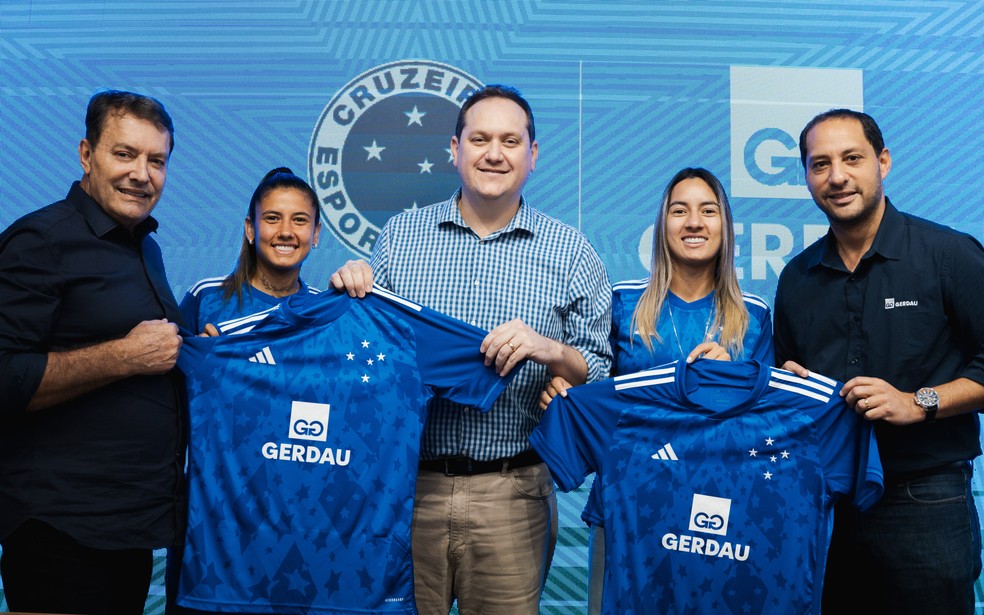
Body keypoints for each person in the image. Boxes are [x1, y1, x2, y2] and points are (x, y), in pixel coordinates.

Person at [331, 84, 612, 614]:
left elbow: (597, 372)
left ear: (533, 155)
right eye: (479, 138)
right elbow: (363, 354)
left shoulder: (572, 252)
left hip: (514, 493)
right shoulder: (401, 237)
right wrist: (350, 288)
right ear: (453, 149)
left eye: (511, 140)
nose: (494, 153)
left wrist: (549, 350)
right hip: (408, 491)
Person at [774, 108, 984, 614]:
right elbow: (786, 380)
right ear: (805, 176)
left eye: (852, 158)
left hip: (925, 499)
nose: (837, 177)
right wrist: (787, 386)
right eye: (819, 164)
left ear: (882, 162)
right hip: (825, 504)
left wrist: (919, 402)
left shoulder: (948, 254)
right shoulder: (796, 278)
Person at [541, 167, 773, 614]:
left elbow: (764, 426)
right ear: (661, 224)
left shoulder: (756, 315)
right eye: (679, 210)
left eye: (708, 211)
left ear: (725, 225)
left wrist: (733, 384)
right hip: (629, 505)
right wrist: (562, 394)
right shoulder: (620, 302)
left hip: (720, 512)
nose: (693, 222)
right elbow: (590, 385)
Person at [0, 90, 184, 614]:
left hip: (128, 529)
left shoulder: (143, 244)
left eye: (156, 161)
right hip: (59, 532)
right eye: (124, 154)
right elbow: (4, 375)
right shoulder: (41, 240)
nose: (141, 174)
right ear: (86, 154)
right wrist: (124, 356)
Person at [180, 167, 322, 334]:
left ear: (316, 233)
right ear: (250, 229)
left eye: (299, 220)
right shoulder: (205, 296)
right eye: (272, 218)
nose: (286, 232)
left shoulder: (322, 308)